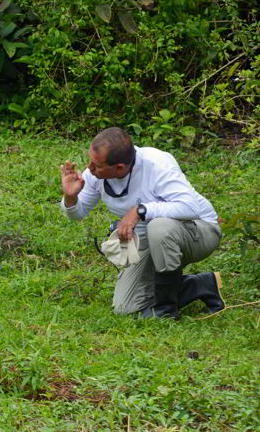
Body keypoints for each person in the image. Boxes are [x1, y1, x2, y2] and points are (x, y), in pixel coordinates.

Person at [59, 127, 225, 318]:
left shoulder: (157, 164)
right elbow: (77, 214)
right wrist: (70, 197)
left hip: (199, 230)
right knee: (125, 307)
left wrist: (140, 211)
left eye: (96, 164)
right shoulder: (96, 175)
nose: (89, 168)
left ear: (119, 167)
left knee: (158, 227)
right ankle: (200, 285)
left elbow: (190, 207)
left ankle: (166, 310)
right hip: (153, 239)